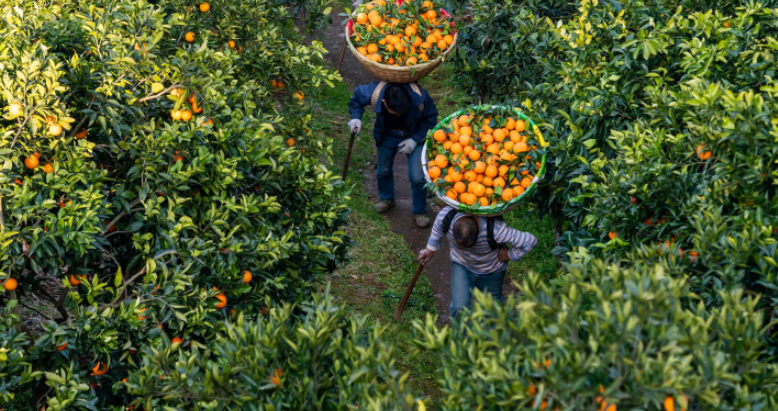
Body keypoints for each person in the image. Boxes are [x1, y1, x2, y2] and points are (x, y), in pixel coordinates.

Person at [418, 206, 538, 318]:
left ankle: (491, 338)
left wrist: (510, 254)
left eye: (469, 246)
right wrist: (430, 249)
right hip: (462, 265)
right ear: (453, 226)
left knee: (492, 309)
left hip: (491, 270)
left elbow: (530, 241)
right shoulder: (447, 216)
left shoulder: (496, 230)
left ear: (479, 229)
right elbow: (437, 228)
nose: (466, 248)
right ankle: (459, 337)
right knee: (459, 307)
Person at [348, 82, 439, 228]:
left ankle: (419, 211)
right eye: (395, 112)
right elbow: (357, 97)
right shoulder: (374, 92)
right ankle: (387, 199)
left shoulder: (420, 96)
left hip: (413, 132)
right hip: (387, 134)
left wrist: (415, 140)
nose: (399, 114)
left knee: (417, 176)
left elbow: (431, 119)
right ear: (383, 102)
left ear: (409, 97)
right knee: (383, 170)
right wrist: (356, 117)